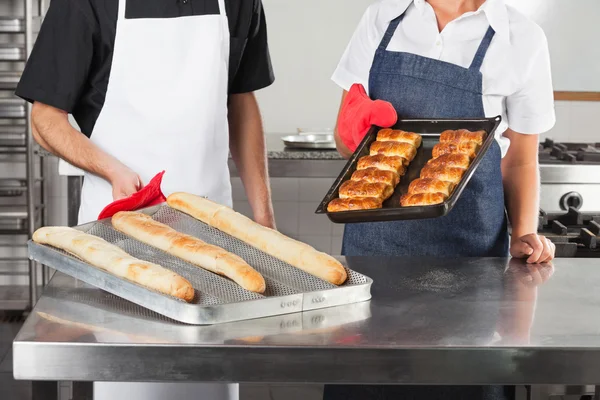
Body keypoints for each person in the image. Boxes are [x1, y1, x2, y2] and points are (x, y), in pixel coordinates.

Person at [16, 0, 275, 399]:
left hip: (214, 242)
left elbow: (241, 102)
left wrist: (264, 217)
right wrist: (111, 170)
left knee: (210, 381)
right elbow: (45, 118)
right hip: (118, 239)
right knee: (126, 379)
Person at [326, 0, 556, 398]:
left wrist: (524, 232)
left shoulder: (522, 38)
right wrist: (352, 130)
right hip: (372, 264)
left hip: (470, 269)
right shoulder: (384, 17)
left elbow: (519, 160)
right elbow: (347, 139)